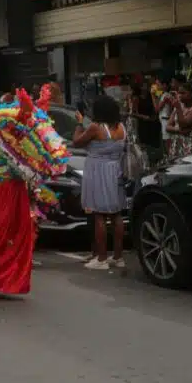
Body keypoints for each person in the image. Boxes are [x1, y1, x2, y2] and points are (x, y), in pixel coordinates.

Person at [73, 96, 127, 270]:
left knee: (98, 215)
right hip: (115, 171)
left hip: (98, 172)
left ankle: (101, 258)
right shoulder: (121, 128)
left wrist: (80, 123)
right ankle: (118, 257)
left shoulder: (96, 127)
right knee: (116, 214)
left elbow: (77, 141)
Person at [167, 80, 192, 160]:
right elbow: (168, 126)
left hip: (190, 146)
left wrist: (178, 107)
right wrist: (179, 130)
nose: (179, 95)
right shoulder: (179, 107)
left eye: (183, 93)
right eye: (179, 93)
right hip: (177, 145)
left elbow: (184, 124)